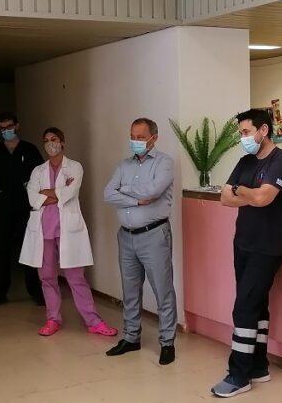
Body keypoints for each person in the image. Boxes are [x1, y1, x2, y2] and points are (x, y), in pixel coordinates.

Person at [211, 109, 282, 398]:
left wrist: (241, 190)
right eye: (241, 133)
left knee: (244, 307)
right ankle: (259, 366)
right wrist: (246, 192)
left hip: (269, 245)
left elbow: (263, 198)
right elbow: (225, 198)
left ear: (264, 130)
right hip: (244, 242)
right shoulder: (246, 161)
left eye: (246, 132)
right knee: (256, 305)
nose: (243, 138)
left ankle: (239, 374)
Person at [19, 128, 118, 338]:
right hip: (43, 230)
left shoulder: (75, 167)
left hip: (68, 230)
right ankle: (53, 319)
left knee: (76, 278)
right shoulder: (38, 171)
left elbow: (70, 193)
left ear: (62, 142)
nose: (50, 143)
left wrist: (47, 193)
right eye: (46, 140)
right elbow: (32, 199)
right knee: (47, 277)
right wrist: (58, 193)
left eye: (54, 139)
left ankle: (93, 321)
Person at [103, 118, 178, 365]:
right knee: (130, 290)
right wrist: (135, 199)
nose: (135, 141)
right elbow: (108, 193)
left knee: (162, 290)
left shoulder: (164, 162)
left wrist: (123, 190)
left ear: (154, 138)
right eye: (132, 136)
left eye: (140, 137)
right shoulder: (123, 165)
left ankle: (167, 343)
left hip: (154, 235)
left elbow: (153, 191)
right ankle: (131, 338)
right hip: (126, 236)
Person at [0, 112, 45, 308]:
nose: (6, 131)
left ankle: (35, 290)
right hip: (3, 205)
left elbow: (39, 175)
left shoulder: (30, 149)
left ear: (17, 126)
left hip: (25, 205)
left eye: (9, 127)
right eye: (2, 128)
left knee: (28, 247)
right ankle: (0, 291)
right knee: (2, 249)